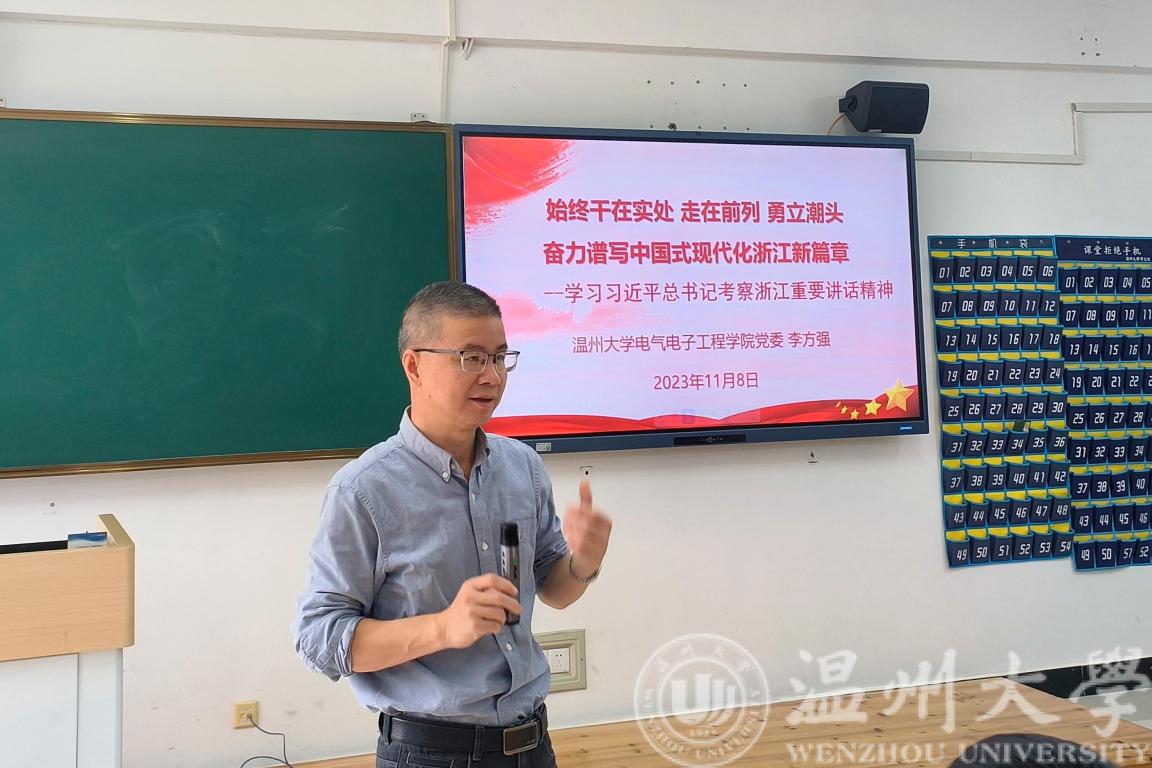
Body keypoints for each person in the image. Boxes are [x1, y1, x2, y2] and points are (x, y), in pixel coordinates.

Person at [294, 281, 612, 768]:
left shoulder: (522, 468)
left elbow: (554, 589)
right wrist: (443, 628)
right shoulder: (363, 490)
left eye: (500, 357)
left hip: (533, 746)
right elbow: (319, 638)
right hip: (429, 753)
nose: (492, 376)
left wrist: (583, 564)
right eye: (471, 357)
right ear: (414, 366)